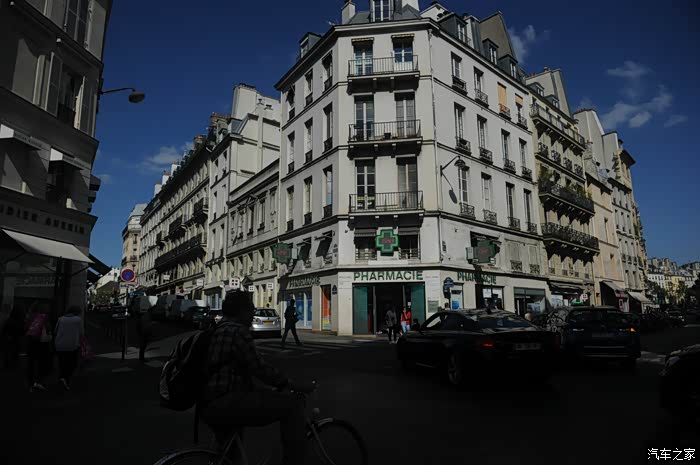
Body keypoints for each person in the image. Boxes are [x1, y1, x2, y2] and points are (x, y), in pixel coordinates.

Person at [201, 291, 310, 465]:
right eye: (251, 309)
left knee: (229, 455)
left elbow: (235, 370)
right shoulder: (238, 331)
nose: (253, 314)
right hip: (228, 401)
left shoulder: (218, 329)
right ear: (241, 311)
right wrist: (288, 383)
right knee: (292, 407)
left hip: (209, 401)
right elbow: (259, 368)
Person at [54, 306, 83, 390]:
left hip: (59, 344)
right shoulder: (78, 320)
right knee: (72, 363)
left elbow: (55, 331)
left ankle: (62, 377)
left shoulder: (60, 319)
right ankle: (66, 379)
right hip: (72, 345)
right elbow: (81, 333)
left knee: (62, 362)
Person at [25, 304, 52, 392]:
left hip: (31, 342)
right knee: (41, 363)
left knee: (31, 363)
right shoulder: (44, 317)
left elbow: (26, 328)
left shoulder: (30, 316)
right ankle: (38, 382)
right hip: (41, 343)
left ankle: (30, 383)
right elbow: (48, 328)